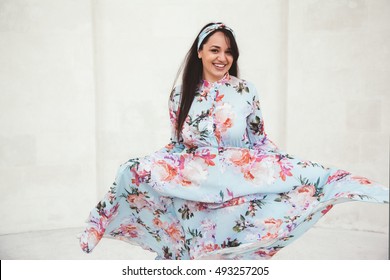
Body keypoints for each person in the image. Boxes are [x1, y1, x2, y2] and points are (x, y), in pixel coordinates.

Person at [79, 22, 389, 260]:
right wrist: (149, 164)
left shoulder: (246, 91)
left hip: (235, 170)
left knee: (315, 174)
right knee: (130, 169)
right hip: (195, 174)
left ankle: (369, 190)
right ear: (200, 51)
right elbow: (176, 144)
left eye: (228, 52)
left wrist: (283, 165)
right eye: (215, 50)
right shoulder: (179, 95)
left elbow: (259, 139)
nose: (222, 58)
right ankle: (100, 224)